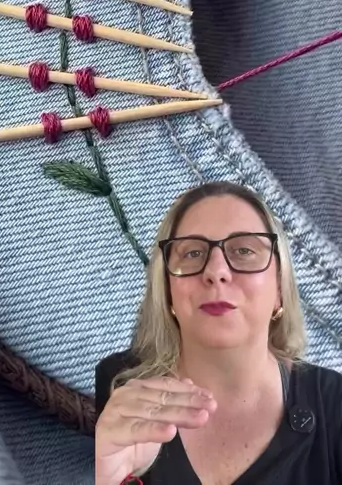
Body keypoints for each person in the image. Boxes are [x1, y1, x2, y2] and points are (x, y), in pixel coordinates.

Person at [95, 182, 342, 485]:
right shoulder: (116, 386)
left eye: (244, 251)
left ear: (279, 288)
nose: (216, 271)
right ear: (168, 290)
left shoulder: (335, 405)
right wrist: (109, 476)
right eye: (192, 253)